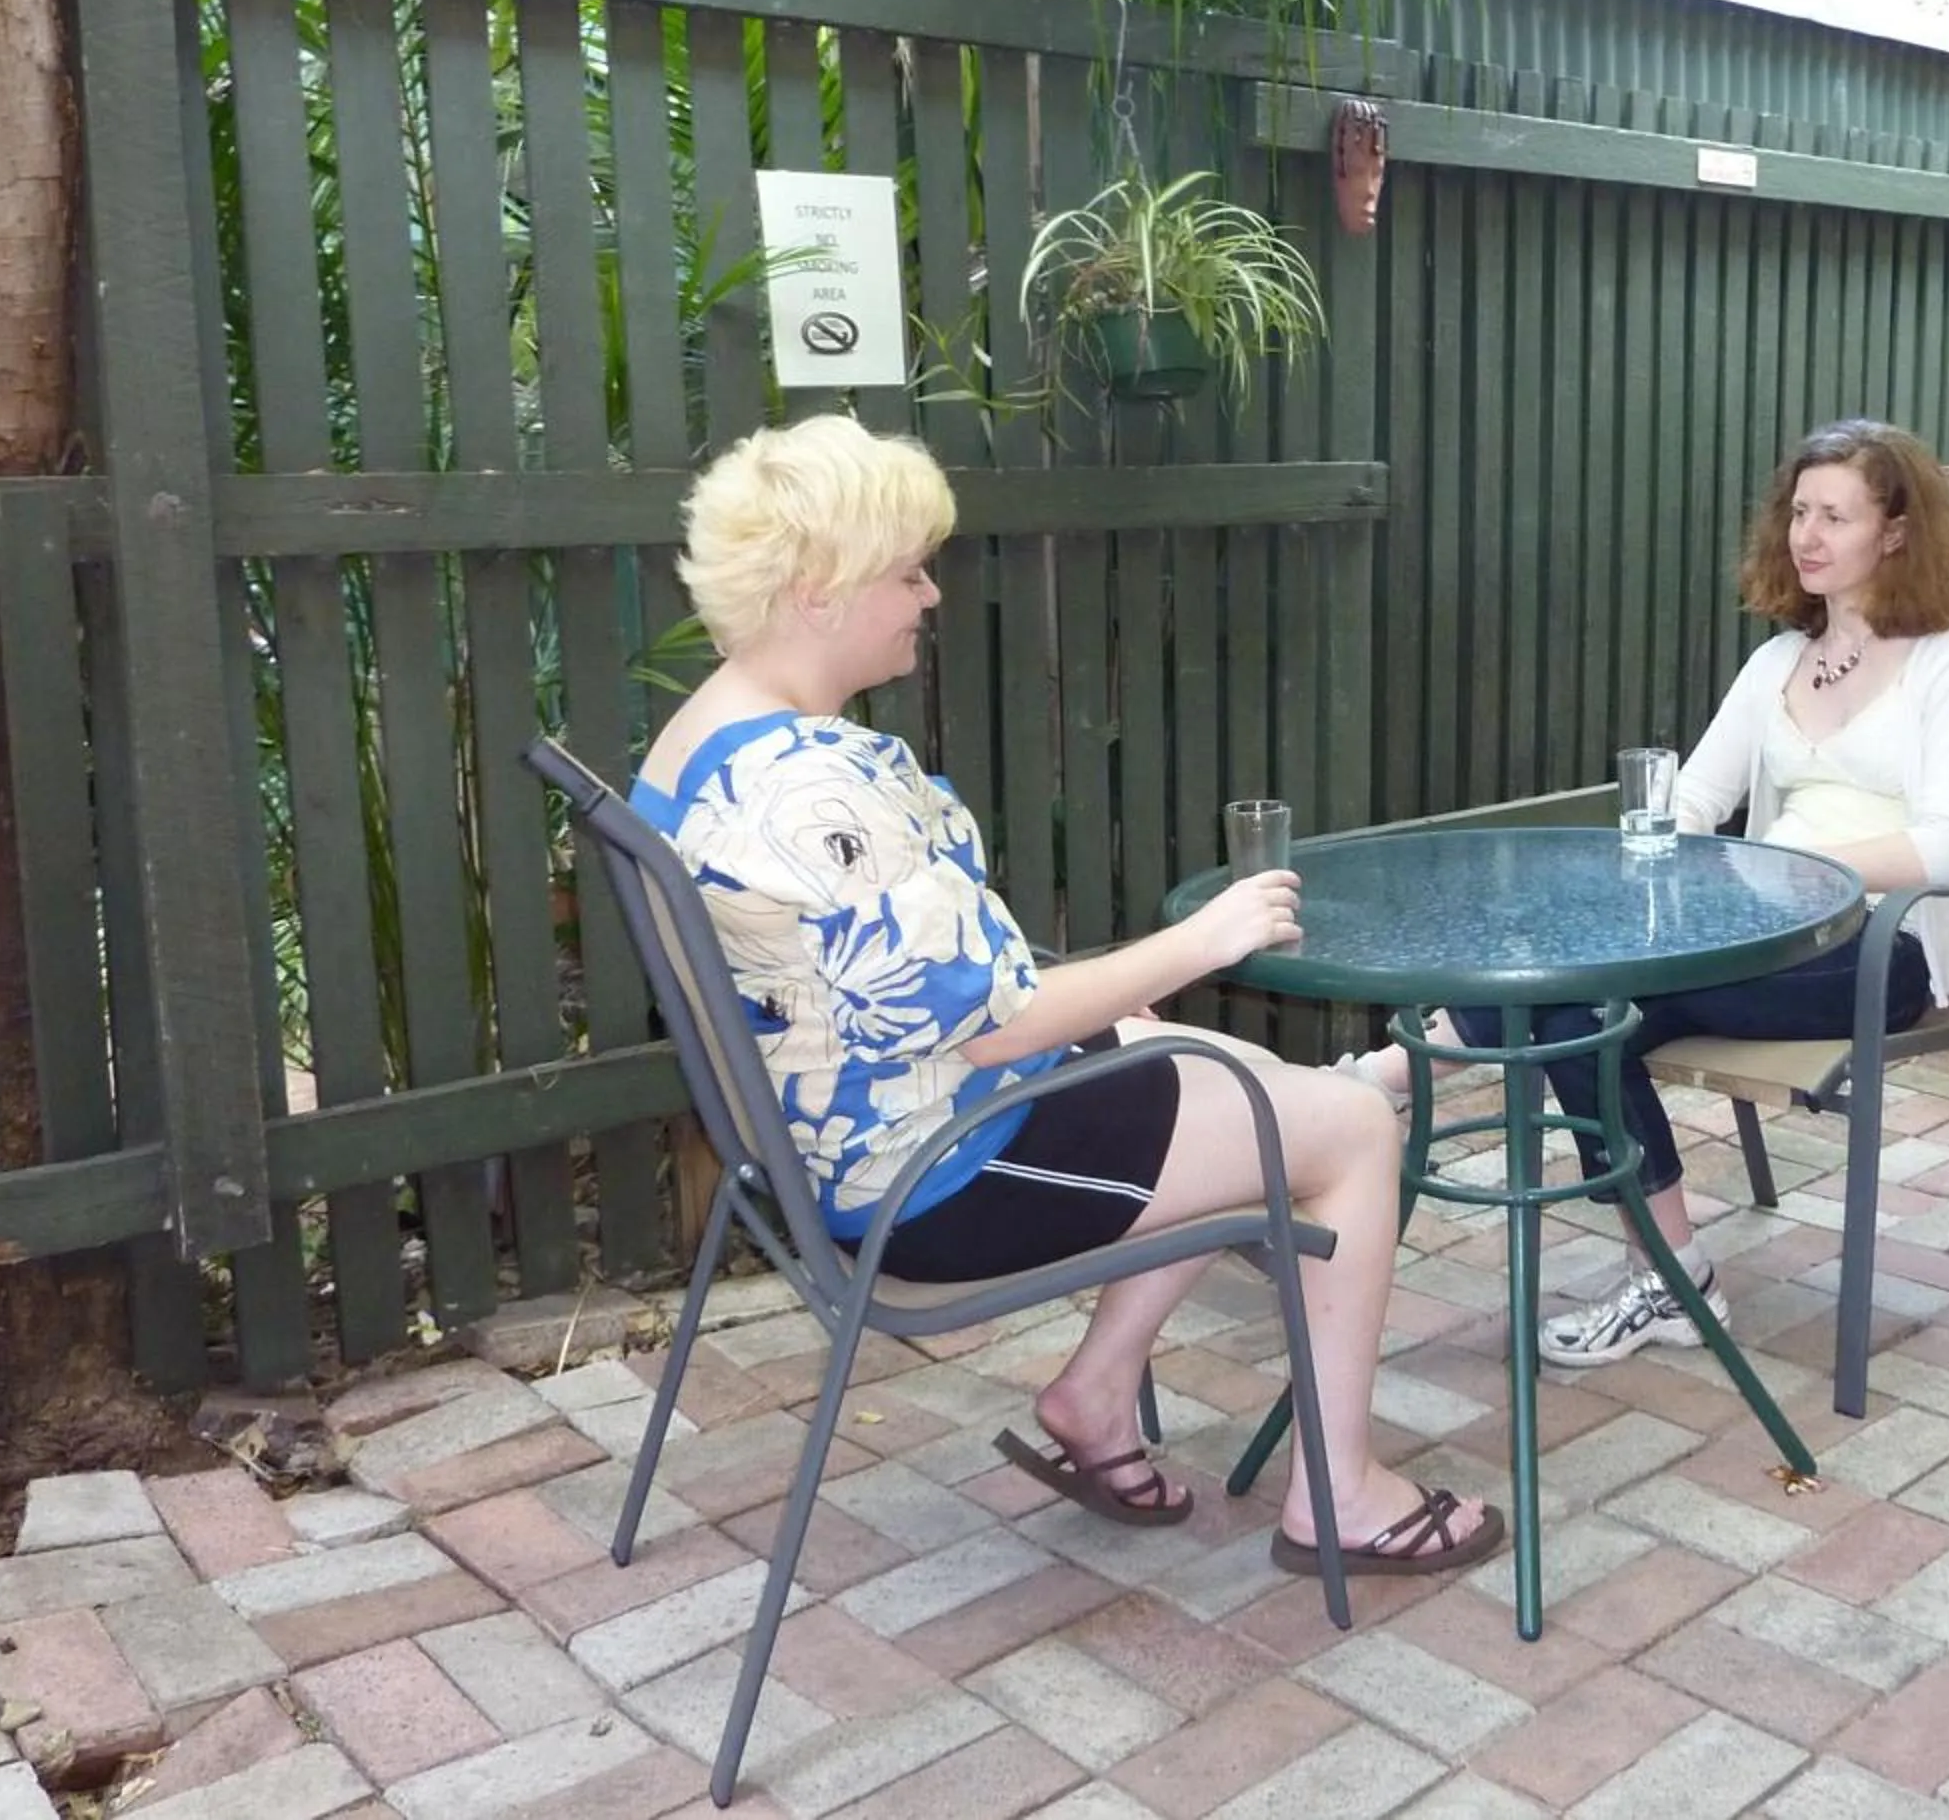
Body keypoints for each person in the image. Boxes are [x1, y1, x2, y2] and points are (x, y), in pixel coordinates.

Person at [632, 414, 1499, 1578]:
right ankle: (1338, 1497)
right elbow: (1000, 1025)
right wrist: (1202, 936)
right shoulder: (814, 792)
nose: (929, 596)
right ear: (817, 590)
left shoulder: (705, 741)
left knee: (1199, 1065)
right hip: (935, 1177)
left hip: (843, 1131)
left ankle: (1097, 1394)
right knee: (1344, 1132)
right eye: (908, 572)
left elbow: (925, 988)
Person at [1452, 416, 1949, 1365]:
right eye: (1799, 511)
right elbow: (1699, 799)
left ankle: (1395, 1074)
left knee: (1577, 1007)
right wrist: (1650, 830)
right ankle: (1675, 1276)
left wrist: (1798, 876)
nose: (1807, 536)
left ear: (1898, 532)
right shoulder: (1777, 663)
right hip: (1756, 928)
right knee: (1575, 1018)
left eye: (1836, 515)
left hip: (1882, 943)